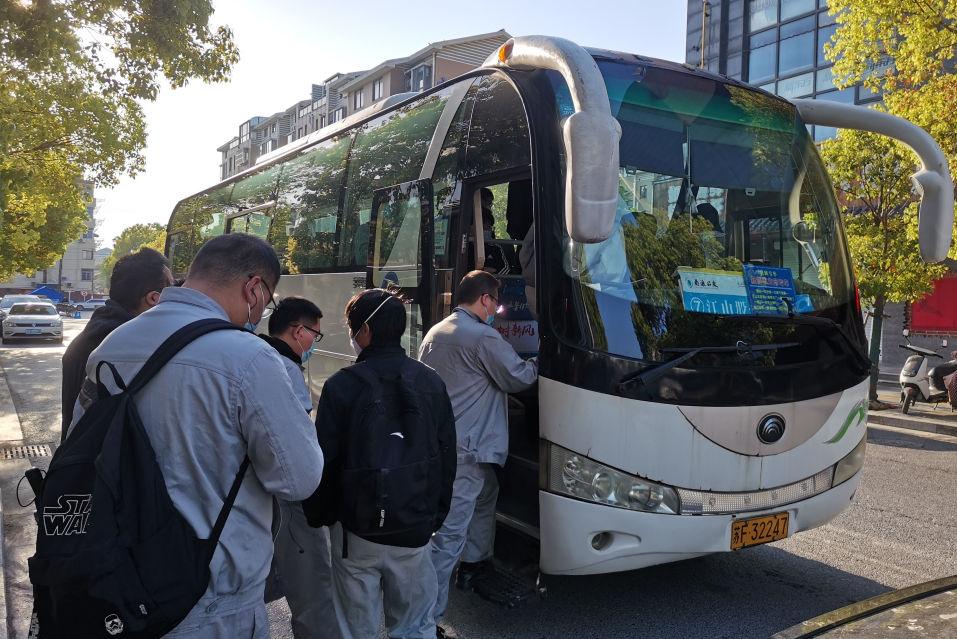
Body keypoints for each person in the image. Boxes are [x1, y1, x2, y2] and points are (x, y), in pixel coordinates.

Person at [81, 233, 324, 638]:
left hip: (122, 580)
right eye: (267, 299)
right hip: (212, 596)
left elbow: (84, 447)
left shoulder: (112, 344)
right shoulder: (249, 356)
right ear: (253, 288)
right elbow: (299, 479)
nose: (262, 311)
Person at [303, 289, 457, 639]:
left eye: (352, 327)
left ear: (366, 331)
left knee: (358, 629)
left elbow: (325, 460)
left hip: (355, 530)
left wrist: (325, 517)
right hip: (414, 524)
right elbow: (447, 456)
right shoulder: (430, 381)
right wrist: (434, 516)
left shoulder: (341, 385)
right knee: (415, 626)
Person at [418, 270, 539, 633]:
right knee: (448, 537)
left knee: (487, 495)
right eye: (496, 305)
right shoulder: (482, 336)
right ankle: (426, 622)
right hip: (467, 450)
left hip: (442, 445)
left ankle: (475, 562)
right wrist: (545, 360)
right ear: (485, 299)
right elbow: (519, 377)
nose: (497, 312)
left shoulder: (436, 332)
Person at [258, 296, 338, 639]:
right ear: (298, 331)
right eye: (315, 335)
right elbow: (298, 442)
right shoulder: (286, 369)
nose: (314, 343)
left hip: (255, 494)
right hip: (288, 498)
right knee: (313, 588)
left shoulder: (256, 356)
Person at [60, 247, 173, 441]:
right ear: (154, 298)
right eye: (172, 288)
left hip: (75, 453)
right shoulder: (129, 347)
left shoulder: (92, 333)